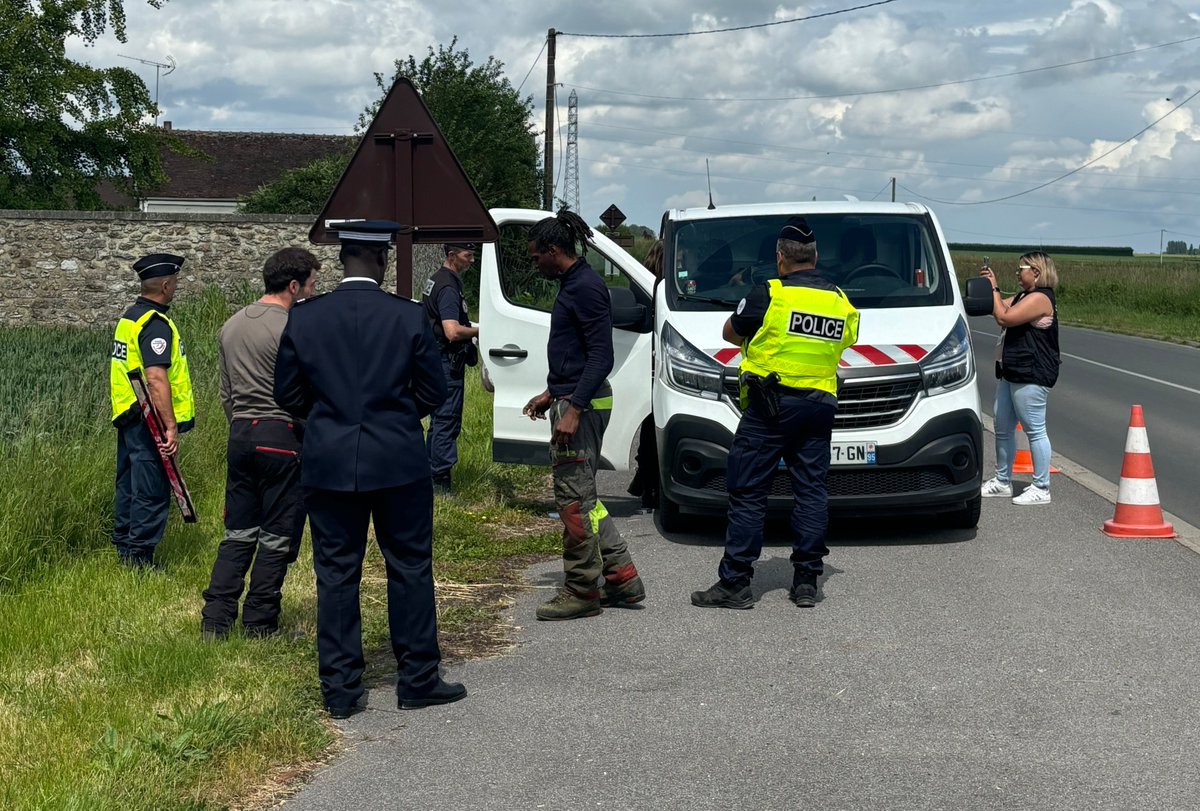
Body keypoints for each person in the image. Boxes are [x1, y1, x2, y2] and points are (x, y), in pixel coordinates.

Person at [273, 220, 465, 718]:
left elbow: (287, 394)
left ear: (341, 262)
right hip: (398, 460)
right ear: (382, 261)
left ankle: (340, 690)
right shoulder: (405, 317)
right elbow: (434, 390)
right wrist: (397, 418)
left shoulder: (307, 317)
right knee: (409, 566)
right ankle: (418, 678)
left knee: (336, 574)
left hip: (329, 461)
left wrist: (328, 420)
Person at [691, 216, 859, 610]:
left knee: (749, 492)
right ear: (814, 257)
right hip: (818, 407)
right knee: (811, 492)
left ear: (781, 257)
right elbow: (849, 337)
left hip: (770, 407)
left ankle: (736, 583)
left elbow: (730, 333)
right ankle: (806, 582)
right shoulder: (839, 299)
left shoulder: (770, 292)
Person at [522, 209, 645, 620]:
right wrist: (549, 393)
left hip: (585, 405)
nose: (534, 262)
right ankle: (622, 579)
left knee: (573, 503)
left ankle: (581, 591)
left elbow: (600, 356)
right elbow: (575, 355)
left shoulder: (586, 287)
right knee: (586, 501)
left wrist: (572, 409)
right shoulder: (574, 283)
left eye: (537, 255)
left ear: (555, 250)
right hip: (574, 397)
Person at [200, 247, 320, 639]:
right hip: (281, 436)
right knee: (276, 536)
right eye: (311, 285)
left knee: (238, 533)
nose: (313, 293)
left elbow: (226, 394)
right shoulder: (294, 325)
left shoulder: (231, 325)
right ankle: (259, 623)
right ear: (293, 285)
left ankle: (215, 620)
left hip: (240, 435)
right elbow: (307, 389)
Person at [109, 252, 195, 569]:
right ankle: (139, 558)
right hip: (150, 419)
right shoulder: (155, 324)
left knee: (129, 483)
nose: (176, 288)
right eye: (175, 283)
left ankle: (124, 545)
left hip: (129, 413)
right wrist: (170, 426)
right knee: (151, 488)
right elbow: (156, 378)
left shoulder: (130, 317)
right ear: (166, 284)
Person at [978, 252, 1061, 505]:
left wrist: (993, 287)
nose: (1017, 272)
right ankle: (1003, 481)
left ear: (1035, 272)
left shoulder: (1041, 298)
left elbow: (1005, 317)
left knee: (1034, 430)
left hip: (1031, 373)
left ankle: (1041, 487)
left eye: (1021, 268)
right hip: (1012, 370)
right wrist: (989, 289)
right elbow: (1000, 306)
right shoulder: (1025, 296)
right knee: (1002, 427)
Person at [421, 242, 480, 493]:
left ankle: (430, 474)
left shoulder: (437, 279)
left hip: (436, 359)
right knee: (447, 419)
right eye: (468, 256)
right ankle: (440, 483)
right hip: (447, 362)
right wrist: (481, 330)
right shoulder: (447, 287)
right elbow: (452, 331)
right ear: (452, 256)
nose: (472, 261)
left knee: (438, 421)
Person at [626, 240, 662, 509]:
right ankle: (651, 481)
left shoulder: (639, 283)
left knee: (649, 423)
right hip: (656, 356)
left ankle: (646, 479)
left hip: (644, 358)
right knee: (654, 424)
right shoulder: (666, 286)